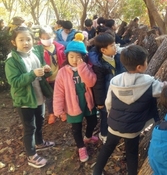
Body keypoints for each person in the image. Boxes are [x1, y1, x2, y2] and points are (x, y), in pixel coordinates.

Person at [93, 45, 167, 175]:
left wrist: (111, 117)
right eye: (146, 61)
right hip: (133, 129)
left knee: (107, 147)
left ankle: (96, 171)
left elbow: (108, 103)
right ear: (140, 67)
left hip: (114, 125)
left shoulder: (115, 81)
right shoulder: (148, 82)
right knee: (131, 152)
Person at [5, 27, 55, 169]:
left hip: (38, 95)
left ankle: (39, 143)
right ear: (14, 42)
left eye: (28, 39)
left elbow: (39, 73)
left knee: (40, 121)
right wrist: (33, 74)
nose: (26, 42)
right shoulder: (12, 60)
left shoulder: (34, 53)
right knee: (30, 127)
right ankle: (31, 155)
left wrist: (45, 70)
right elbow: (14, 81)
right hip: (25, 100)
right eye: (21, 40)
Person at [53, 33, 99, 162]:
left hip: (87, 102)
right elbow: (58, 92)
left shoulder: (87, 67)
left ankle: (88, 136)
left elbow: (91, 82)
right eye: (71, 56)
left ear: (83, 57)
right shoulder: (63, 72)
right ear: (67, 56)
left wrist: (82, 67)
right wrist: (58, 109)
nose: (74, 59)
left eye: (78, 57)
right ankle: (81, 147)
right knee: (76, 128)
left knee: (93, 122)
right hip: (72, 104)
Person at [88, 33, 126, 144]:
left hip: (118, 93)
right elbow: (98, 85)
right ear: (103, 50)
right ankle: (104, 134)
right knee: (105, 116)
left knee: (116, 112)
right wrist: (100, 102)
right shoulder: (99, 65)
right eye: (112, 46)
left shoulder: (118, 57)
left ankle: (116, 129)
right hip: (105, 96)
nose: (116, 47)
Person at [39, 25, 66, 124]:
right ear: (40, 38)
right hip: (48, 78)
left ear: (53, 36)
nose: (46, 40)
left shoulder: (59, 47)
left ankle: (62, 111)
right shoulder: (38, 50)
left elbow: (63, 60)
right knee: (50, 97)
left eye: (48, 38)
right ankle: (52, 113)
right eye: (43, 38)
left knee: (61, 94)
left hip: (59, 77)